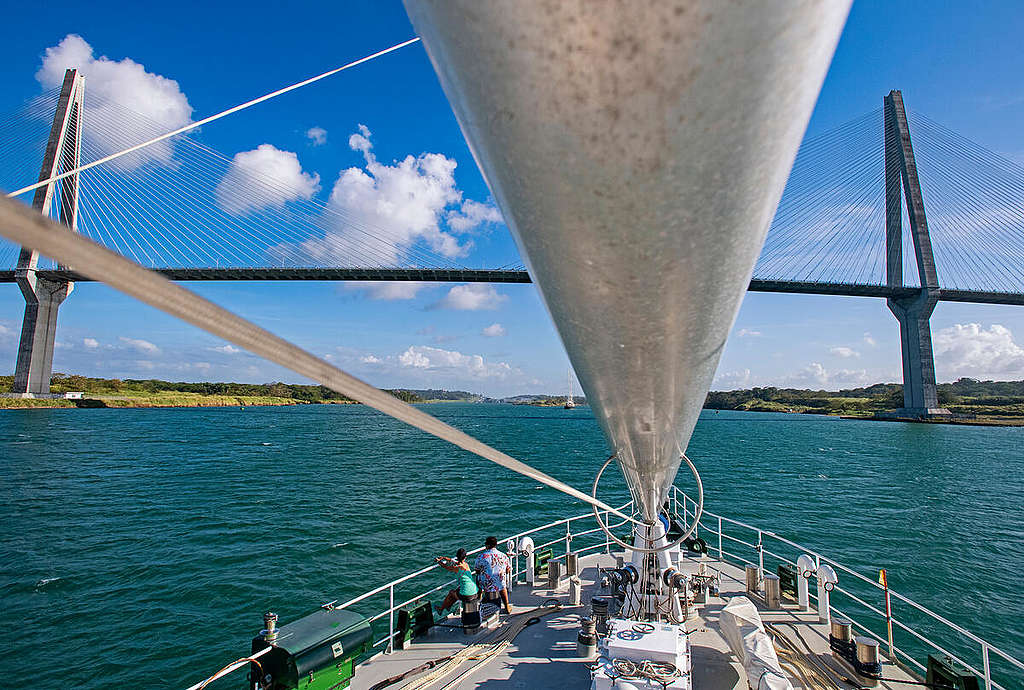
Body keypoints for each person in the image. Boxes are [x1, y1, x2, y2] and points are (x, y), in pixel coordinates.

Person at [474, 536, 513, 614]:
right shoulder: (503, 556)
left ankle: (478, 600)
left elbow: (477, 570)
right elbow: (508, 569)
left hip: (487, 584)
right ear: (496, 545)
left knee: (479, 578)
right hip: (500, 582)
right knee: (503, 586)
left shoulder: (481, 557)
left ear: (487, 545)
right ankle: (507, 606)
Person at [435, 548, 479, 615]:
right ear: (465, 557)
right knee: (457, 591)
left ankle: (441, 609)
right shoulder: (466, 565)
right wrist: (444, 558)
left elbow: (445, 566)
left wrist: (438, 561)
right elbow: (455, 562)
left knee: (451, 592)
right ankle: (448, 606)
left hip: (467, 596)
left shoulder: (457, 568)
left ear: (457, 557)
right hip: (475, 591)